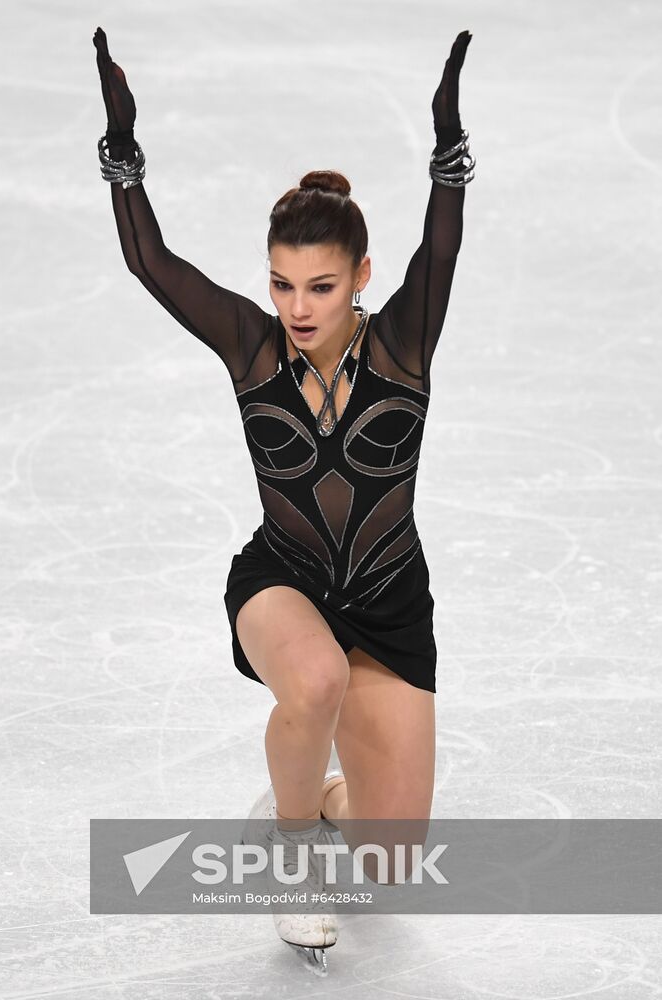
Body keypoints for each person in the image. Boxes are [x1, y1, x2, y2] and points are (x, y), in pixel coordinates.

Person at [93, 25, 474, 976]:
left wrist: (448, 162)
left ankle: (307, 798)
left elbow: (442, 244)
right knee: (311, 681)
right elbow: (153, 265)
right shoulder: (250, 347)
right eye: (281, 283)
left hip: (388, 602)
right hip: (285, 581)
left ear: (361, 281)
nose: (298, 306)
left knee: (392, 862)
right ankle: (294, 855)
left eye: (321, 286)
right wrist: (123, 158)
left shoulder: (403, 346)